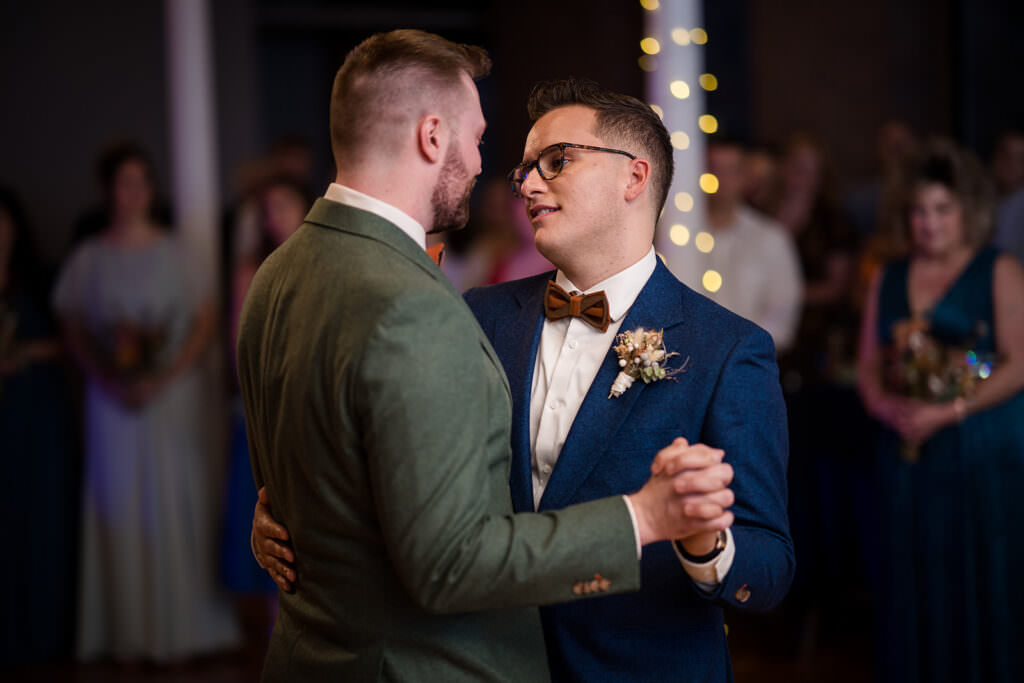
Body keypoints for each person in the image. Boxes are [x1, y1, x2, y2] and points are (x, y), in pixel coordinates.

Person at [254, 76, 794, 682]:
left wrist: (706, 546)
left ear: (634, 177)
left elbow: (769, 567)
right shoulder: (476, 314)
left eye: (556, 162)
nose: (530, 185)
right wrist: (300, 515)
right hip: (485, 664)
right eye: (525, 171)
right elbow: (411, 474)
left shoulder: (727, 349)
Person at [53, 141, 239, 662]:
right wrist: (107, 376)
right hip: (110, 398)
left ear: (151, 190)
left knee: (171, 498)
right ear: (108, 190)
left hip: (171, 395)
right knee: (118, 501)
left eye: (141, 182)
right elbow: (72, 328)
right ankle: (125, 634)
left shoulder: (178, 252)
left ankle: (181, 630)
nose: (133, 192)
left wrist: (162, 377)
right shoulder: (89, 257)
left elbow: (203, 323)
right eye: (123, 182)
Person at [857, 139, 1024, 683]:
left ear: (967, 210)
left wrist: (950, 411)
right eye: (919, 211)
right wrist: (888, 408)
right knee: (912, 581)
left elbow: (1020, 362)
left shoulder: (998, 269)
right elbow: (867, 368)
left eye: (941, 209)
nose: (928, 223)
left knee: (984, 581)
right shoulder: (888, 276)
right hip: (908, 456)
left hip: (984, 455)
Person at [0, 187, 76, 664]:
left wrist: (21, 352)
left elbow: (69, 341)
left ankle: (45, 636)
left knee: (41, 520)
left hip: (38, 411)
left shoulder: (39, 278)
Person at [667, 136, 803, 352]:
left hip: (747, 360)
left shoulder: (769, 239)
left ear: (744, 177)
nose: (720, 179)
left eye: (730, 171)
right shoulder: (677, 235)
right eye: (713, 169)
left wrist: (739, 350)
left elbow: (782, 313)